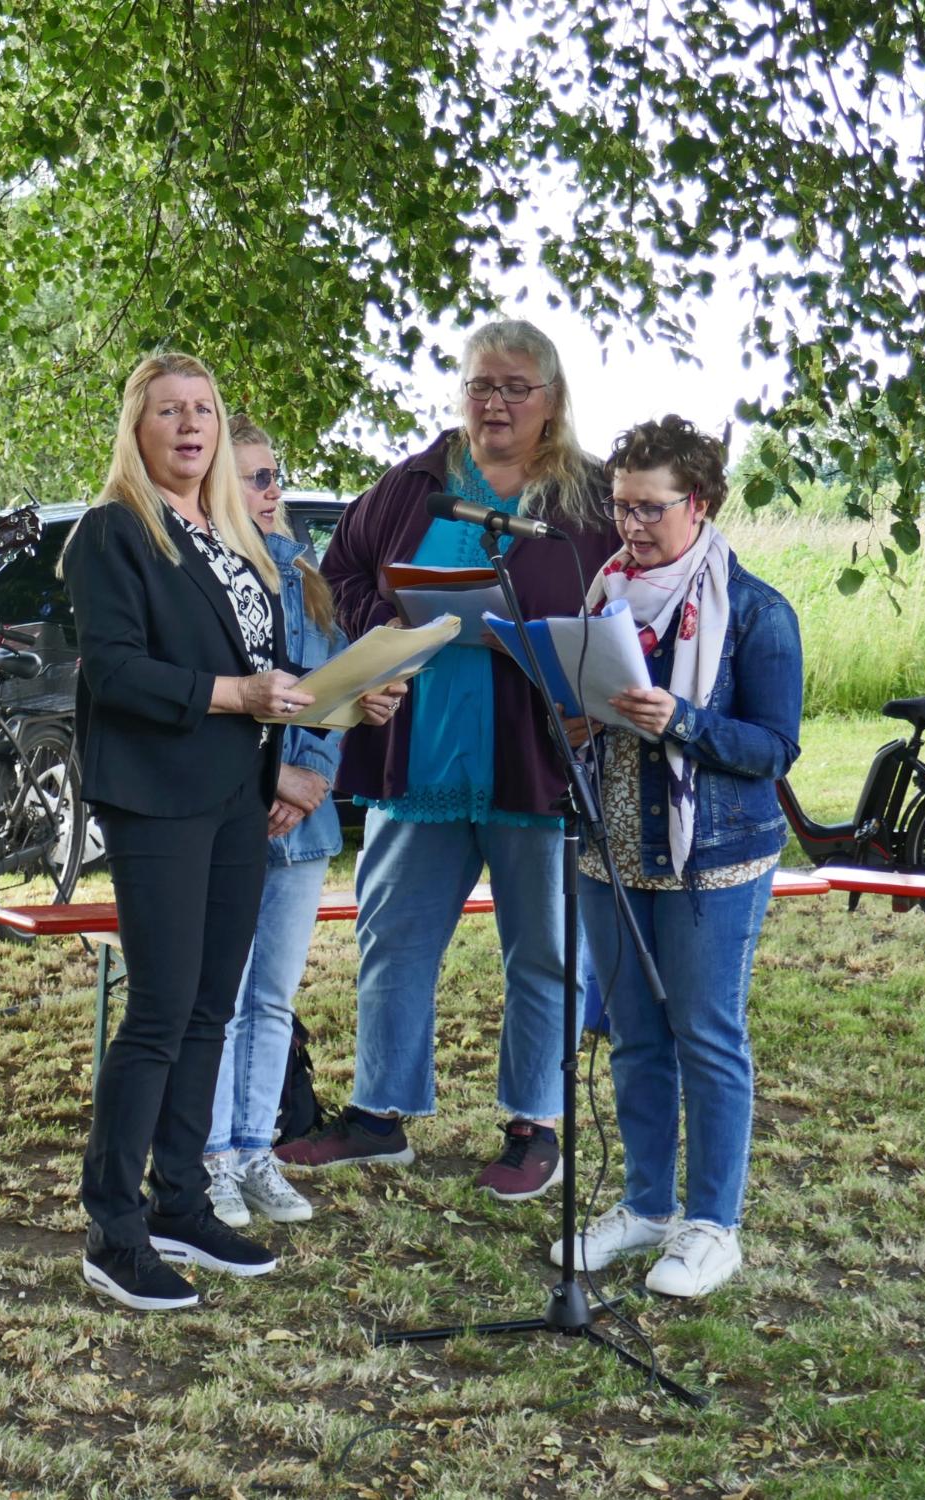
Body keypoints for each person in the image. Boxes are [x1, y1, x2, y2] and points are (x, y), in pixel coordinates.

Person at [281, 318, 617, 1199]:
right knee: (392, 935)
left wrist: (588, 688)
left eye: (515, 387)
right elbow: (341, 571)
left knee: (541, 948)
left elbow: (625, 602)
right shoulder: (416, 483)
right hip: (419, 753)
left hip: (531, 758)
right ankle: (380, 1113)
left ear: (551, 400)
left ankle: (534, 1121)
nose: (495, 403)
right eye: (480, 385)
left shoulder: (586, 500)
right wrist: (382, 632)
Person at [64, 353, 319, 1312]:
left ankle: (180, 1197)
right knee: (161, 1012)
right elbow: (117, 672)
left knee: (212, 1005)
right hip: (159, 796)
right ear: (136, 428)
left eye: (204, 409)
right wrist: (236, 695)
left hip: (236, 794)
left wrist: (336, 703)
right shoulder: (113, 534)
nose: (189, 425)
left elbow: (268, 664)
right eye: (167, 410)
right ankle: (113, 1228)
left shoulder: (236, 534)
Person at [556, 416, 801, 1297]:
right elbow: (578, 715)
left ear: (698, 503)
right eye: (620, 507)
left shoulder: (759, 611)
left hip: (714, 863)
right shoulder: (602, 598)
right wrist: (576, 721)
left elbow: (776, 749)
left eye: (649, 509)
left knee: (707, 1034)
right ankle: (646, 1205)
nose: (630, 526)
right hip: (610, 850)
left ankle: (712, 1226)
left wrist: (683, 724)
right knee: (633, 1037)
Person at [202, 415, 404, 1230]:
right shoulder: (200, 576)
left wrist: (311, 777)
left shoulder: (305, 577)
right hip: (226, 814)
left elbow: (334, 690)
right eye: (252, 478)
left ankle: (257, 1146)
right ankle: (209, 1155)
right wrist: (265, 780)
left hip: (304, 822)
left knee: (272, 997)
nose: (271, 489)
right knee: (216, 996)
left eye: (272, 473)